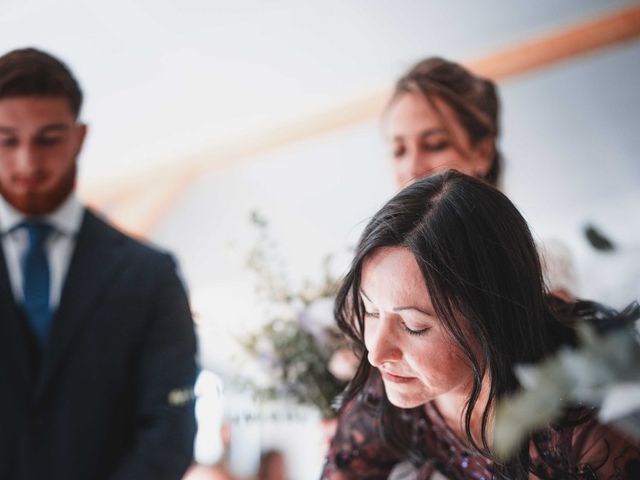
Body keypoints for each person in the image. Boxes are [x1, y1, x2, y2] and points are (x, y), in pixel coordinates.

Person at [321, 170, 639, 479]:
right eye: (370, 311)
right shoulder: (392, 390)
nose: (376, 353)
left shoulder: (587, 429)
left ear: (490, 318)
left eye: (413, 326)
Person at [0, 48, 197, 479]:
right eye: (7, 140)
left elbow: (171, 427)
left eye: (48, 139)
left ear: (79, 137)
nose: (27, 162)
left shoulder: (151, 276)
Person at [384, 56, 576, 301]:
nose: (412, 166)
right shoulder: (381, 276)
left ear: (483, 153)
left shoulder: (543, 269)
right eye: (399, 150)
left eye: (435, 145)